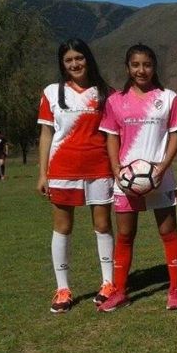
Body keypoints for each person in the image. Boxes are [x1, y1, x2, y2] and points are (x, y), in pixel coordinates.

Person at [98, 44, 177, 312]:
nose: (141, 70)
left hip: (160, 178)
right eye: (135, 65)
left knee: (168, 232)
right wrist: (116, 169)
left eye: (146, 64)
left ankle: (174, 290)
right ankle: (120, 291)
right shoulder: (115, 101)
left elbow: (175, 135)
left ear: (154, 67)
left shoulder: (168, 98)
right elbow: (111, 136)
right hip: (126, 179)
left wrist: (162, 166)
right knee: (125, 234)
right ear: (127, 68)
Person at [36, 38, 115, 313]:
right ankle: (62, 289)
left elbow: (112, 135)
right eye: (68, 60)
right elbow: (46, 133)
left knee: (103, 225)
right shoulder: (51, 92)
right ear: (62, 64)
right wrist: (42, 173)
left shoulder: (105, 93)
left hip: (99, 168)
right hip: (62, 169)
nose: (74, 64)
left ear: (88, 59)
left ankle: (109, 283)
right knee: (63, 227)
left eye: (78, 58)